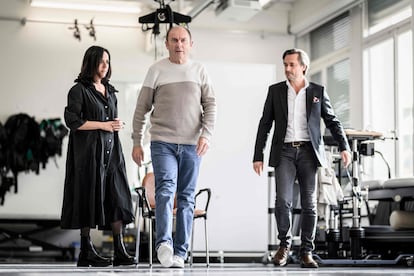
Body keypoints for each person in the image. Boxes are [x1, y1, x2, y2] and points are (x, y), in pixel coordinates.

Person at [253, 48, 351, 268]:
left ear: (303, 66)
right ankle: (284, 246)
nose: (287, 69)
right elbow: (265, 124)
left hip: (308, 152)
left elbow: (333, 121)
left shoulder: (317, 91)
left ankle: (307, 251)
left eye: (292, 65)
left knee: (309, 204)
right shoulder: (276, 91)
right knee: (283, 201)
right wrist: (257, 154)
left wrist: (344, 146)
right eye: (285, 65)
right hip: (284, 152)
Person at [132, 26, 216, 268]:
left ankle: (180, 252)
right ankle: (163, 244)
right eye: (174, 40)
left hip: (192, 144)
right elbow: (141, 109)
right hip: (162, 142)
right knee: (166, 189)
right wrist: (137, 141)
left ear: (191, 43)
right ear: (166, 43)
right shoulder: (156, 70)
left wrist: (206, 135)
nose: (179, 44)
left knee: (187, 196)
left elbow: (211, 104)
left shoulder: (199, 70)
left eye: (183, 40)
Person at [61, 45, 136, 267]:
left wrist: (115, 125)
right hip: (88, 154)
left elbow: (109, 121)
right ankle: (86, 250)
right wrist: (103, 125)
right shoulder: (78, 90)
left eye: (108, 61)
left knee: (118, 197)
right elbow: (73, 122)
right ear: (91, 62)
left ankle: (120, 249)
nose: (106, 66)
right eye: (102, 61)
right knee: (87, 196)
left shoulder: (110, 91)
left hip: (112, 152)